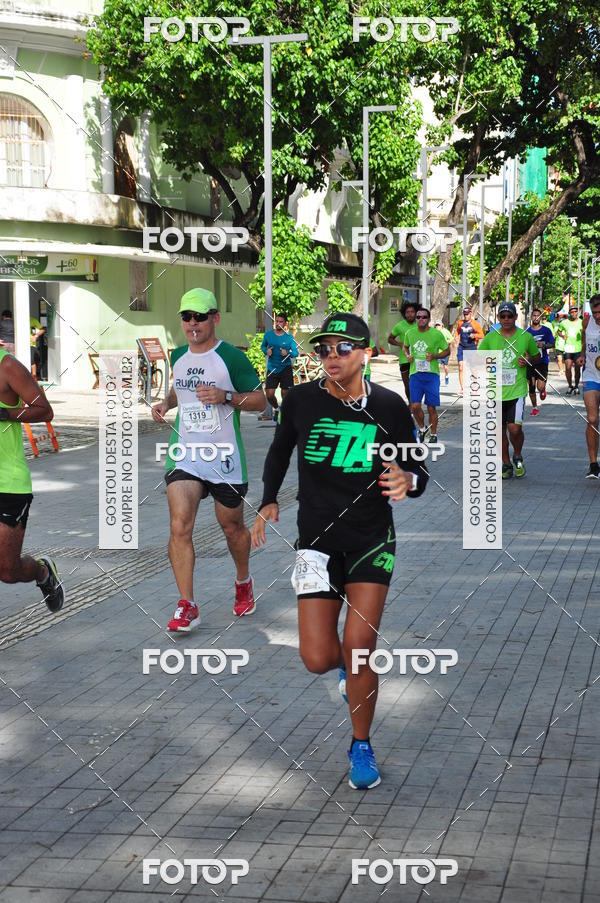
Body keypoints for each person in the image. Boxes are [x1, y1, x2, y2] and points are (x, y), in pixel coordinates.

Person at [251, 313, 428, 790]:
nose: (331, 356)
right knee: (316, 657)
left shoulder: (390, 407)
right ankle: (350, 678)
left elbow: (418, 470)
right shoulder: (302, 401)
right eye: (325, 348)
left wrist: (406, 480)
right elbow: (279, 450)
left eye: (342, 348)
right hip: (316, 542)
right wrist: (268, 499)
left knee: (359, 649)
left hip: (371, 538)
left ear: (365, 354)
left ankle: (361, 743)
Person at [151, 288, 266, 630]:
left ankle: (243, 580)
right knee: (179, 525)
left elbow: (261, 402)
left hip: (224, 456)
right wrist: (166, 404)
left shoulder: (231, 357)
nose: (193, 323)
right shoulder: (178, 355)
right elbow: (179, 388)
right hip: (184, 453)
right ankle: (187, 604)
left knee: (232, 528)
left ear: (215, 318)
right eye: (186, 316)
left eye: (200, 316)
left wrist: (225, 396)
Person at [0, 347, 64, 609]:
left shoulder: (7, 367)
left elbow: (44, 410)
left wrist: (5, 413)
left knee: (7, 570)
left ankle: (43, 573)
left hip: (8, 483)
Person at [478, 301, 541, 479]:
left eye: (509, 316)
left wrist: (529, 359)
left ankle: (517, 455)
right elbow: (479, 358)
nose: (506, 319)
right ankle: (506, 463)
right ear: (498, 318)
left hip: (517, 390)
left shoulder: (525, 337)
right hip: (495, 392)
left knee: (514, 429)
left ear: (515, 317)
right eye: (502, 316)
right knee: (499, 430)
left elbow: (536, 356)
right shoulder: (491, 337)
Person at [403, 308, 449, 444]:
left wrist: (434, 356)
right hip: (415, 374)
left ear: (428, 319)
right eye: (418, 317)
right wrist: (407, 355)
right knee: (415, 406)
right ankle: (422, 429)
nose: (420, 319)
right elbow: (405, 347)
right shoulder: (409, 333)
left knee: (431, 407)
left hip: (431, 375)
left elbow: (447, 351)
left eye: (424, 317)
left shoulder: (436, 334)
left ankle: (433, 434)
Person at [577, 294, 600, 479]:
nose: (597, 316)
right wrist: (582, 354)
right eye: (595, 312)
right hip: (591, 375)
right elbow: (584, 340)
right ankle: (593, 464)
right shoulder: (587, 322)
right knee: (592, 419)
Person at [261, 313, 299, 422]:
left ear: (285, 323)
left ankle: (285, 412)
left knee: (285, 394)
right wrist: (266, 351)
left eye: (280, 321)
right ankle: (277, 409)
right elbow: (263, 346)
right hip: (272, 368)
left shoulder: (289, 338)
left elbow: (295, 353)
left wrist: (287, 352)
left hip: (285, 368)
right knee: (269, 394)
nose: (278, 323)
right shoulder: (268, 335)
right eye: (276, 321)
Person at [526, 307, 555, 415]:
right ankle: (535, 407)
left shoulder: (546, 330)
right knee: (531, 387)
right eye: (534, 315)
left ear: (541, 317)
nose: (536, 317)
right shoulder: (526, 332)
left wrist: (544, 345)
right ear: (531, 317)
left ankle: (543, 390)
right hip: (530, 362)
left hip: (542, 362)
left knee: (540, 386)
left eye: (538, 315)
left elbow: (553, 344)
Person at [387, 301, 417, 402]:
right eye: (407, 312)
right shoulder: (399, 326)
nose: (410, 314)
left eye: (412, 312)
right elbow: (390, 339)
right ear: (404, 314)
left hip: (418, 359)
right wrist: (400, 344)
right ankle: (410, 403)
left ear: (416, 313)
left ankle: (416, 402)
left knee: (417, 383)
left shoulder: (420, 325)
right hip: (404, 359)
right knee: (407, 384)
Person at [452, 306, 484, 395]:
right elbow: (458, 331)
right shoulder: (460, 323)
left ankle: (474, 387)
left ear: (471, 314)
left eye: (467, 314)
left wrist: (475, 335)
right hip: (462, 347)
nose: (465, 316)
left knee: (473, 368)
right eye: (464, 314)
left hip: (472, 347)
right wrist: (455, 337)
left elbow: (482, 335)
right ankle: (462, 389)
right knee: (461, 367)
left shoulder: (475, 324)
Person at [556, 306, 583, 394]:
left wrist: (583, 333)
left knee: (577, 369)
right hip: (568, 348)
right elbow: (558, 331)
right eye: (572, 312)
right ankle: (570, 386)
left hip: (578, 348)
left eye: (576, 311)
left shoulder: (581, 322)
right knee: (568, 368)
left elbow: (586, 331)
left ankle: (576, 386)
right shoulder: (564, 322)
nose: (574, 313)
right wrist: (562, 335)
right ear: (569, 313)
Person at [434, 320, 453, 385]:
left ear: (442, 325)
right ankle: (437, 380)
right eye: (436, 325)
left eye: (438, 325)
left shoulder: (445, 331)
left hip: (445, 352)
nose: (437, 326)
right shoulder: (434, 332)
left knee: (445, 367)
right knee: (438, 366)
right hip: (437, 353)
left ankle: (447, 376)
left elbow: (451, 339)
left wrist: (446, 342)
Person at [29, 316, 45, 381]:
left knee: (31, 360)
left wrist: (36, 336)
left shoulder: (32, 319)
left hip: (31, 344)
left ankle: (34, 376)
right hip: (19, 344)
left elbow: (42, 329)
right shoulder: (17, 318)